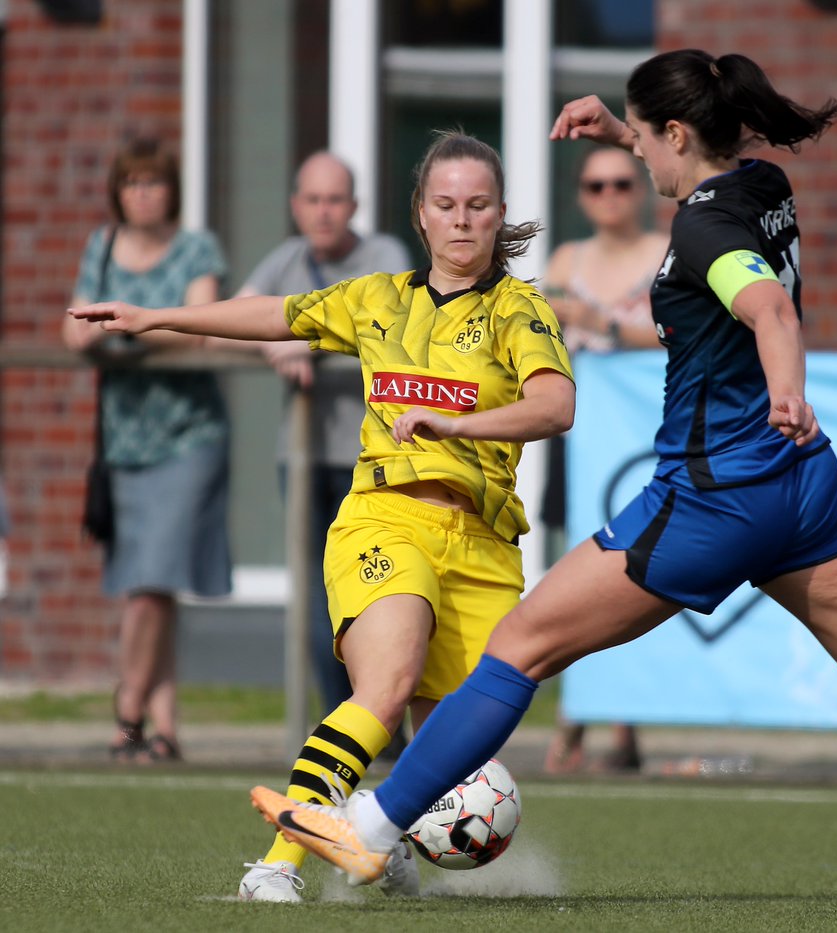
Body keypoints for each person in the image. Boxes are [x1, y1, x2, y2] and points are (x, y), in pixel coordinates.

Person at [254, 50, 837, 914]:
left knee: (518, 649)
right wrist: (617, 126)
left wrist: (788, 389)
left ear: (678, 134)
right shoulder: (764, 187)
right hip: (806, 489)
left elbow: (763, 305)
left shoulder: (704, 228)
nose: (633, 151)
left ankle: (368, 826)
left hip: (716, 494)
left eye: (643, 137)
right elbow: (721, 199)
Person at [70, 131, 575, 904]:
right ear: (421, 215)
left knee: (453, 734)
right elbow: (279, 312)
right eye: (446, 205)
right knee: (386, 682)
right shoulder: (378, 298)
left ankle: (386, 832)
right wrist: (157, 316)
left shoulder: (518, 309)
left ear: (500, 212)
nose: (462, 220)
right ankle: (275, 865)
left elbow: (555, 403)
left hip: (482, 545)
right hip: (385, 521)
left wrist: (461, 427)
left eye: (478, 205)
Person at [61, 137, 232, 764]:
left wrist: (134, 327)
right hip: (123, 440)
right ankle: (165, 724)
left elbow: (201, 328)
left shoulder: (196, 248)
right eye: (131, 182)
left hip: (189, 434)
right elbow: (71, 328)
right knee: (147, 585)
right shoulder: (102, 246)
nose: (142, 193)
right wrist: (125, 332)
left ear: (172, 191)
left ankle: (126, 709)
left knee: (153, 579)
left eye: (154, 182)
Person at [233, 151, 412, 715]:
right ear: (295, 207)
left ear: (354, 206)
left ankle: (383, 722)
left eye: (335, 199)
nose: (324, 212)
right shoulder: (285, 261)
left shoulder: (383, 255)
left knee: (379, 595)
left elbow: (388, 326)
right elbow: (239, 312)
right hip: (305, 455)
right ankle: (344, 724)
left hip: (374, 455)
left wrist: (301, 339)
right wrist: (270, 342)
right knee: (316, 598)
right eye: (313, 200)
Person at [539, 145, 667, 775]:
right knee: (571, 578)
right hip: (582, 441)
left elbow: (683, 330)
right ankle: (573, 718)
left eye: (620, 183)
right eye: (595, 187)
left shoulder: (667, 254)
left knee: (635, 578)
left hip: (647, 439)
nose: (608, 196)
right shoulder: (567, 259)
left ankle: (624, 719)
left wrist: (603, 324)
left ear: (640, 189)